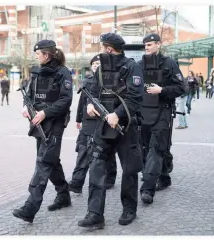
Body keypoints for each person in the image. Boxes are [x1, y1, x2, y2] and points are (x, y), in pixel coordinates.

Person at [77, 33, 143, 228]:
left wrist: (118, 113)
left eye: (102, 47)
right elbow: (94, 91)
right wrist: (90, 104)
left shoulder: (132, 67)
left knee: (129, 169)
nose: (100, 51)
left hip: (125, 126)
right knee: (96, 166)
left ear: (109, 49)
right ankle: (95, 214)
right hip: (103, 125)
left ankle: (129, 209)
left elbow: (135, 98)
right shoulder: (101, 68)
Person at [12, 40, 73, 223]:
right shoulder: (36, 72)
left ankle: (30, 207)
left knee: (44, 162)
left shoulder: (63, 73)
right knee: (51, 161)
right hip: (39, 124)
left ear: (47, 55)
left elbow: (66, 100)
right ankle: (63, 195)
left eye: (38, 54)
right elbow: (30, 94)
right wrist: (25, 107)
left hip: (54, 124)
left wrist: (45, 112)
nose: (36, 56)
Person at [139, 33, 185, 204]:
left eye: (150, 45)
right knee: (146, 148)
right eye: (145, 45)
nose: (147, 48)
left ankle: (147, 190)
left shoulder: (169, 63)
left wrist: (162, 90)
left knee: (156, 148)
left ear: (158, 44)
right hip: (143, 112)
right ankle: (164, 176)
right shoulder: (139, 64)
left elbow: (182, 87)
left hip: (163, 111)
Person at [68, 54, 117, 193]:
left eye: (98, 63)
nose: (96, 65)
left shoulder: (109, 81)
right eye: (94, 63)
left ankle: (109, 178)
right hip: (88, 120)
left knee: (107, 151)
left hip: (104, 120)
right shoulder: (87, 81)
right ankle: (77, 182)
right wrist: (78, 119)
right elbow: (82, 102)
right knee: (83, 149)